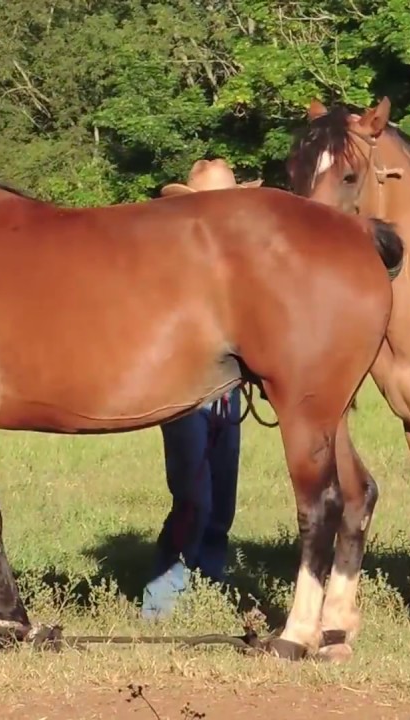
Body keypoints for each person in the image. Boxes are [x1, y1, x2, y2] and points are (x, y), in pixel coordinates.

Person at [141, 159, 262, 620]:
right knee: (194, 496)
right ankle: (163, 599)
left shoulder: (237, 260)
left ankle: (211, 582)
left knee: (222, 498)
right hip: (185, 389)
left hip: (225, 389)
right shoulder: (174, 257)